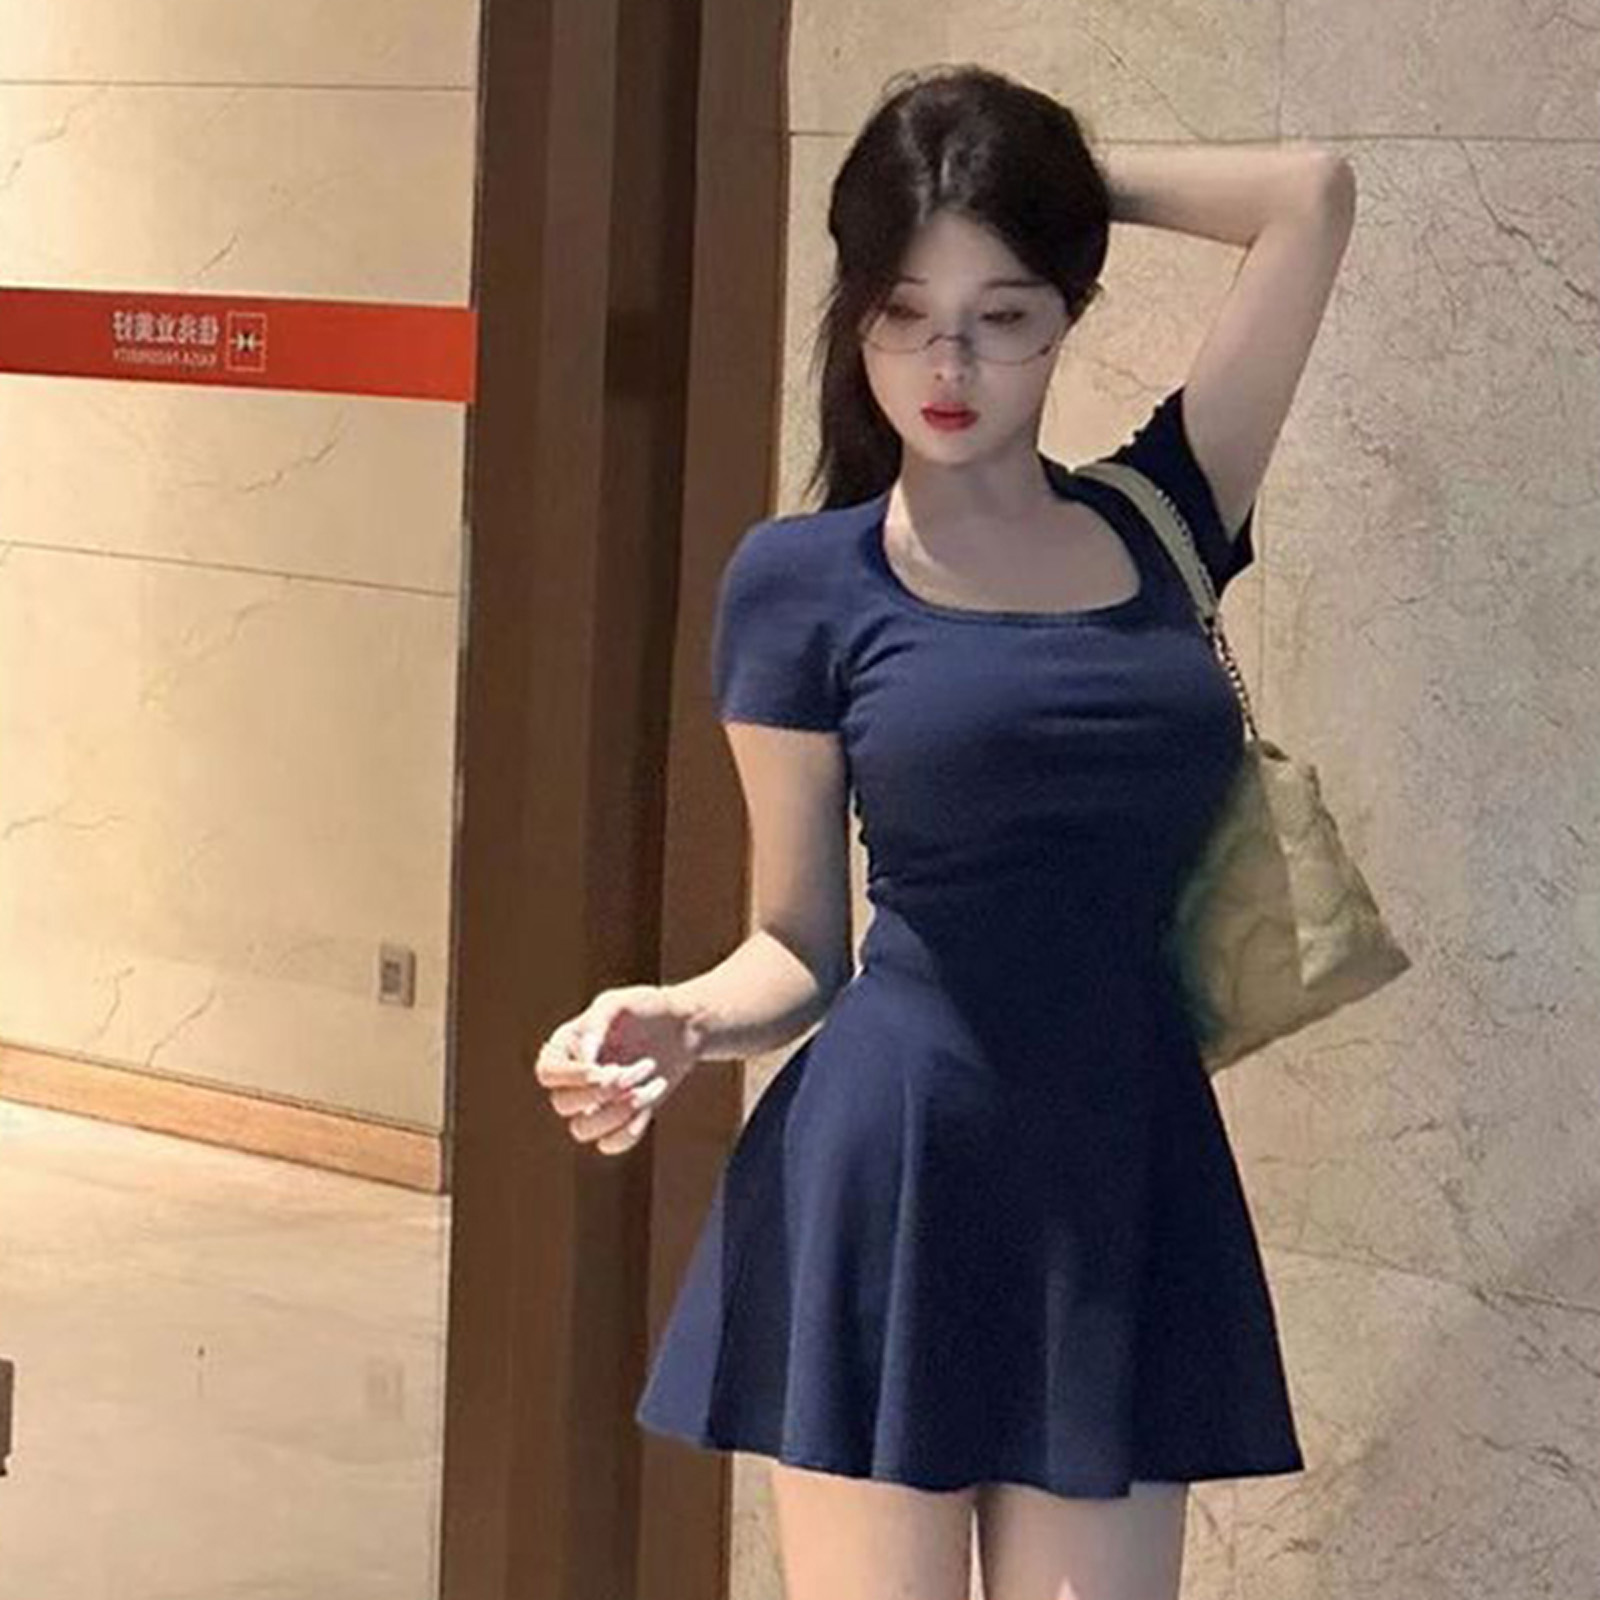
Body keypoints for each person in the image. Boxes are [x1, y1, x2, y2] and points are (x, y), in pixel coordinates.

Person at [535, 61, 1356, 1600]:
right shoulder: (803, 582)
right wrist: (683, 1018)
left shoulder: (1163, 514)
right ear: (856, 315)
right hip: (890, 1165)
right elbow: (798, 944)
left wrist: (1032, 179)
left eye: (1004, 313)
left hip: (1122, 1162)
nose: (949, 361)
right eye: (905, 310)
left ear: (1069, 312)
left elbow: (1309, 198)